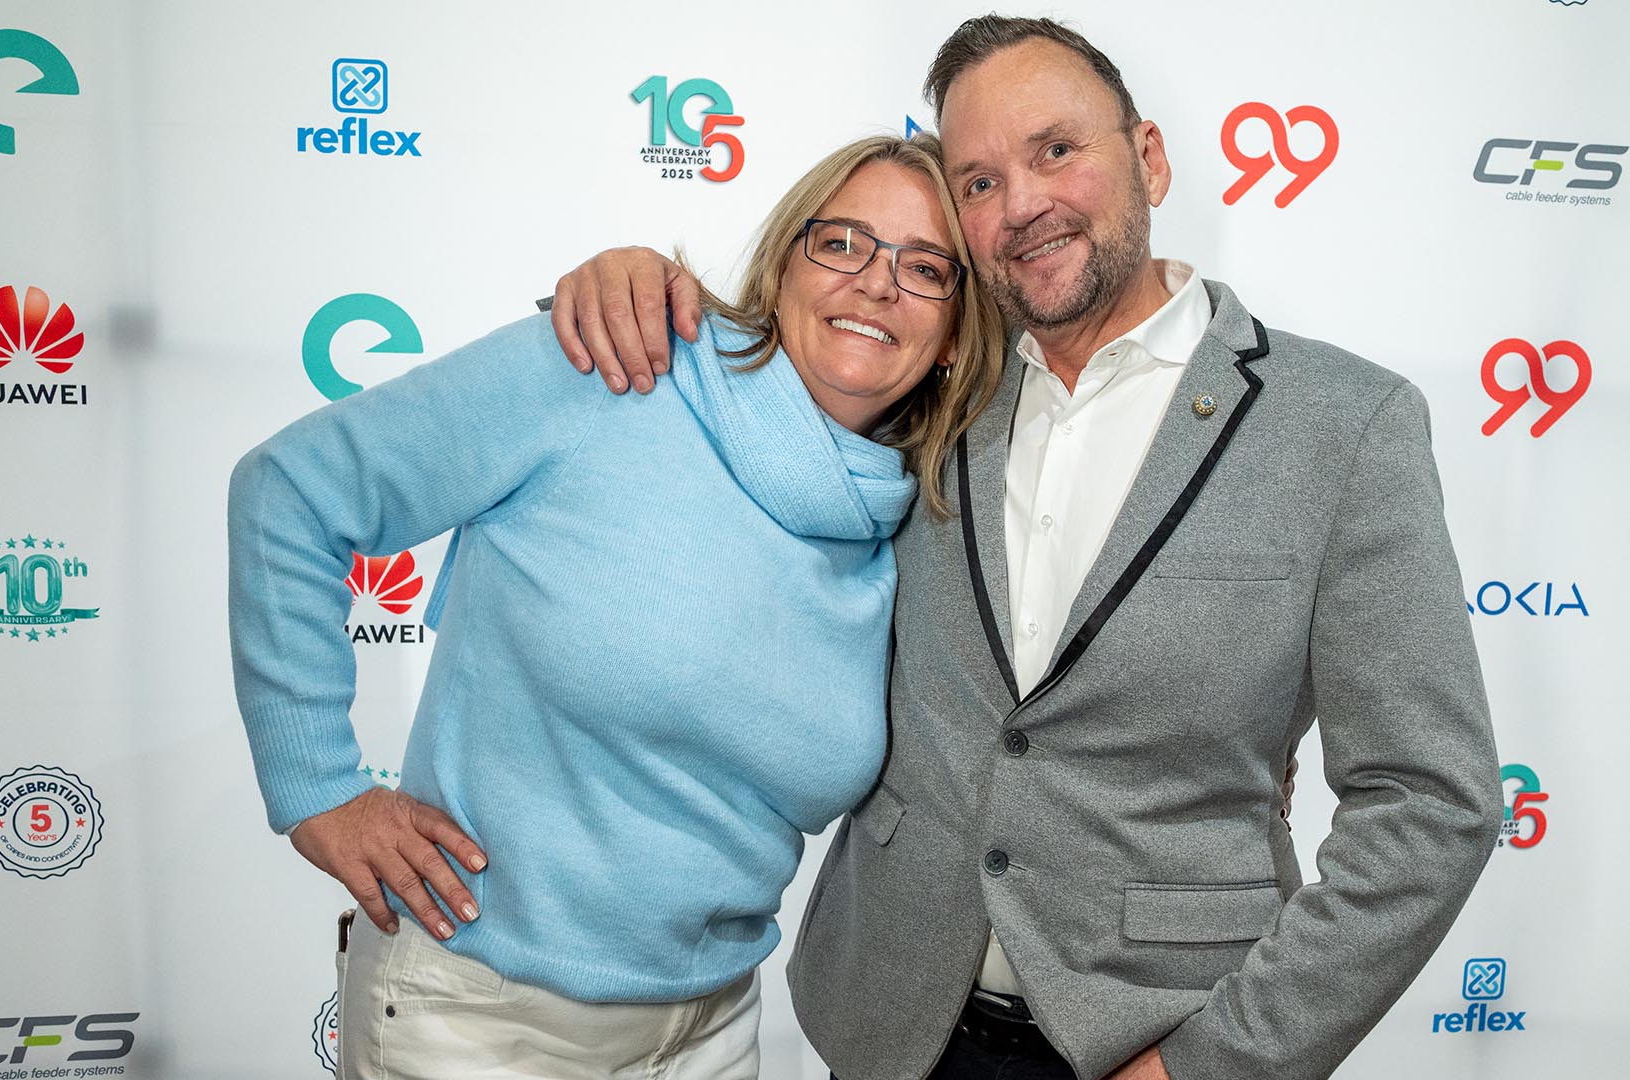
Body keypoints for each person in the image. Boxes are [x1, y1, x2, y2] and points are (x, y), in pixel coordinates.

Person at [545, 15, 1502, 1080]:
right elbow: (783, 351)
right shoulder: (932, 380)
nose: (1022, 204)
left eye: (1056, 150)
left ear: (1148, 158)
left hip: (1166, 1037)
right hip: (889, 1022)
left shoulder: (1344, 423)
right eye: (980, 181)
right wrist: (637, 281)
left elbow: (1431, 801)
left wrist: (1218, 1063)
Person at [227, 132, 1004, 1079]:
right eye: (841, 242)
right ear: (782, 266)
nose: (877, 282)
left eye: (925, 268)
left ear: (955, 335)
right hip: (479, 1020)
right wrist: (318, 789)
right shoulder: (619, 366)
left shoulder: (914, 517)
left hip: (711, 1029)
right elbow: (289, 491)